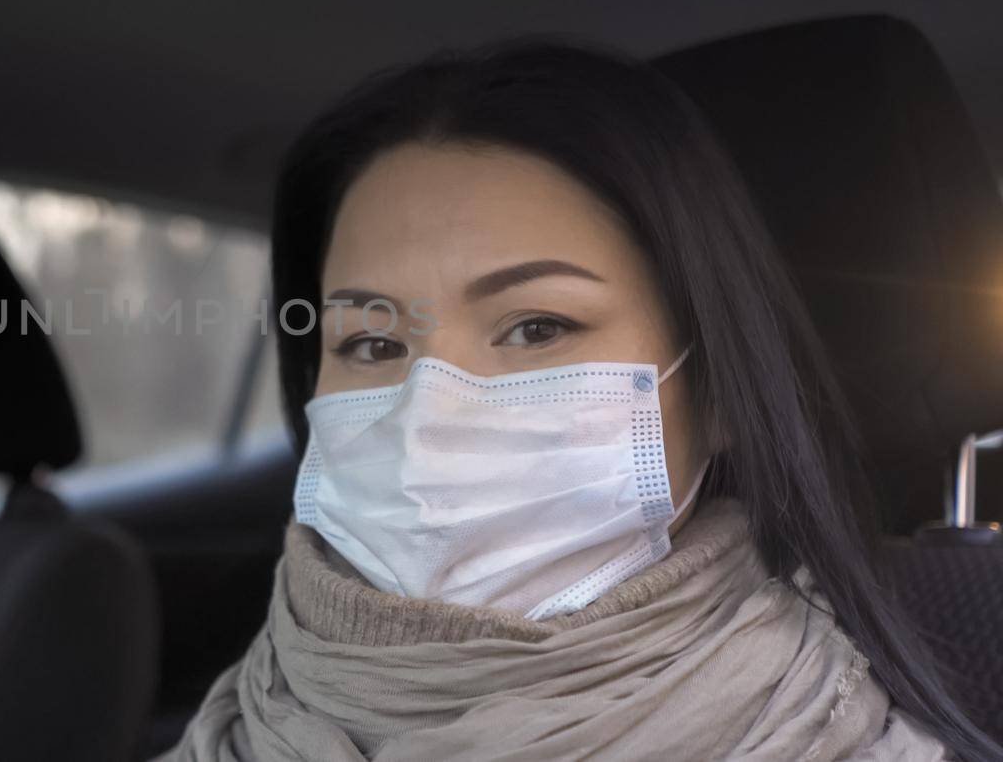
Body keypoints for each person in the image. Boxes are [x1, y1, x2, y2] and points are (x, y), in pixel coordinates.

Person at [159, 42, 1000, 761]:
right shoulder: (228, 726)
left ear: (716, 390)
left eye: (537, 327)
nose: (429, 416)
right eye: (373, 344)